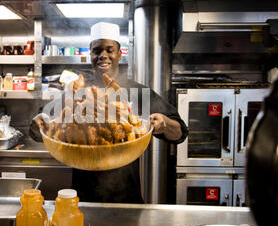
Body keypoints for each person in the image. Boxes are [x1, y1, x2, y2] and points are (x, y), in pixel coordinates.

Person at [30, 22, 188, 203]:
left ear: (120, 54)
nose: (102, 55)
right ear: (90, 54)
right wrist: (38, 123)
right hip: (82, 199)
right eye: (96, 50)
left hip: (127, 198)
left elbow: (180, 132)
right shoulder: (76, 92)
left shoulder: (138, 93)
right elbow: (40, 126)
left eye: (109, 50)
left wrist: (165, 123)